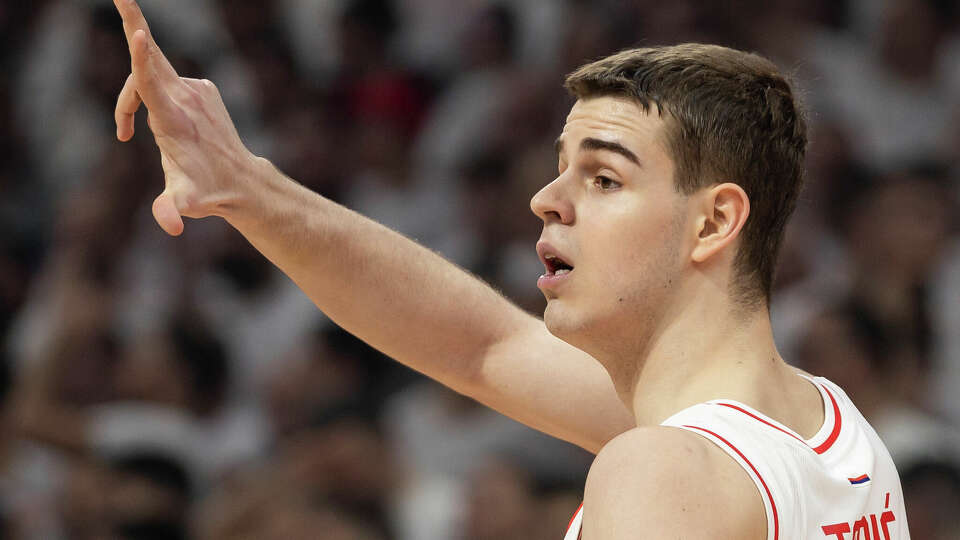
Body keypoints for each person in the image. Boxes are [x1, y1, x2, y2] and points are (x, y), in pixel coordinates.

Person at [109, 0, 910, 537]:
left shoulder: (661, 468)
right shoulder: (839, 435)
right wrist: (247, 186)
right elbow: (481, 346)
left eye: (603, 178)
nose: (545, 200)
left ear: (714, 221)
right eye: (561, 168)